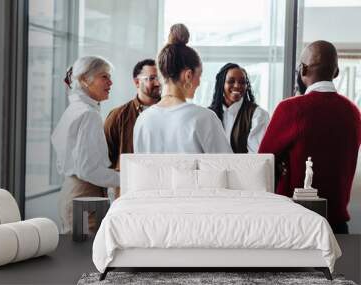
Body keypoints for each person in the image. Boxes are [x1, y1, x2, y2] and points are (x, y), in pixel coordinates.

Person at [259, 40, 361, 233]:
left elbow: (263, 163)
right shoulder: (353, 112)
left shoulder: (291, 109)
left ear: (303, 70)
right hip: (337, 226)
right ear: (336, 72)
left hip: (296, 223)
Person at [133, 24, 229, 154]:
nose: (199, 83)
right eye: (199, 76)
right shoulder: (204, 118)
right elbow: (227, 168)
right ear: (188, 75)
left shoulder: (143, 120)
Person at [51, 56, 120, 234]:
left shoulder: (75, 110)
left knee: (80, 257)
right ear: (84, 80)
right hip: (85, 196)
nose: (110, 82)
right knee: (87, 258)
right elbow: (88, 170)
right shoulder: (88, 115)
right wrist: (126, 178)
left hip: (75, 192)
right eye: (104, 77)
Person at [103, 59, 160, 198]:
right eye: (151, 78)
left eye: (161, 78)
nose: (158, 83)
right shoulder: (118, 115)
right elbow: (106, 156)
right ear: (136, 82)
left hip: (162, 188)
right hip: (129, 192)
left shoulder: (172, 113)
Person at [209, 63, 269, 153]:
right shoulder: (208, 114)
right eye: (231, 81)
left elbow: (255, 156)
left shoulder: (257, 114)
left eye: (242, 82)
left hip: (245, 167)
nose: (237, 86)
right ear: (222, 84)